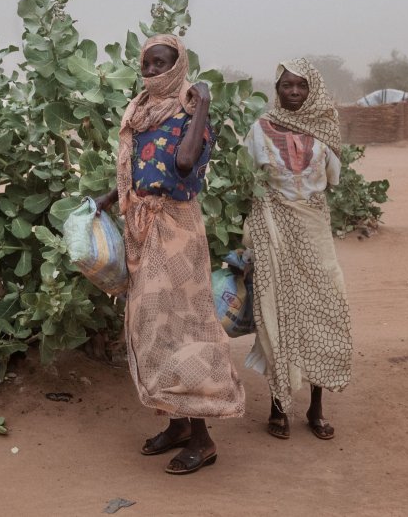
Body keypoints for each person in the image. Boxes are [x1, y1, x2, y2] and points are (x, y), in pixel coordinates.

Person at [93, 35, 245, 475]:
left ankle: (204, 438)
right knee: (153, 326)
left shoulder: (189, 113)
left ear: (178, 68)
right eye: (148, 64)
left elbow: (183, 163)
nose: (153, 72)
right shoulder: (140, 113)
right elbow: (140, 170)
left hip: (177, 229)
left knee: (183, 326)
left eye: (162, 64)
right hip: (143, 228)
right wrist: (107, 198)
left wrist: (201, 107)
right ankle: (178, 424)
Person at [242, 57, 352, 441]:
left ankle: (316, 407)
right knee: (278, 313)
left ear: (313, 90)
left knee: (325, 310)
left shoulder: (325, 129)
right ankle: (278, 406)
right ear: (277, 89)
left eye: (301, 86)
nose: (293, 92)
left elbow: (331, 178)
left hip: (313, 229)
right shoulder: (259, 129)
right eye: (286, 85)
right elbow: (250, 176)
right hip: (273, 230)